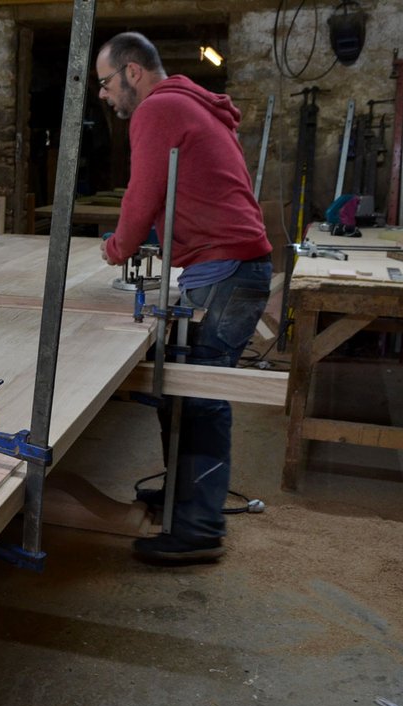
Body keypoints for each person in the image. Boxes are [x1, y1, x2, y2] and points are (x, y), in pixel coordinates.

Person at [96, 32, 272, 564]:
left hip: (226, 269)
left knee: (199, 396)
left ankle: (198, 528)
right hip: (228, 266)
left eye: (105, 83)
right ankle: (183, 496)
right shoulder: (192, 105)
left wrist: (118, 247)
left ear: (132, 72)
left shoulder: (160, 109)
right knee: (178, 384)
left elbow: (142, 191)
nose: (103, 96)